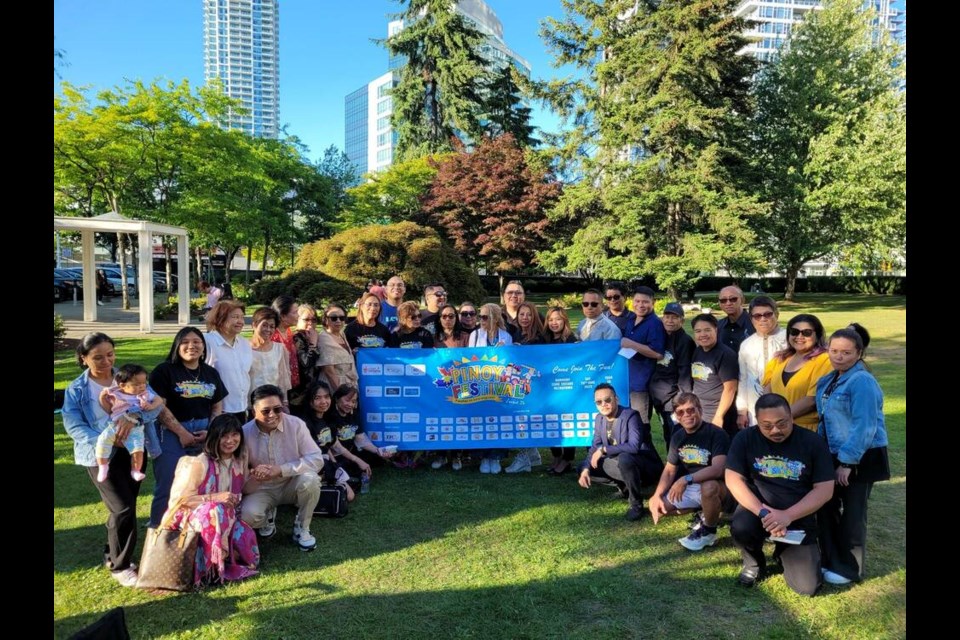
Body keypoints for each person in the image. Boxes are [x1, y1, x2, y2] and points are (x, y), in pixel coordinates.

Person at [62, 333, 159, 587]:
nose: (106, 361)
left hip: (133, 452)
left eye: (110, 354)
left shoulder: (127, 377)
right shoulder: (76, 389)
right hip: (100, 456)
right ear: (84, 359)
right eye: (97, 357)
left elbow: (155, 406)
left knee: (125, 505)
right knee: (122, 507)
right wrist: (105, 439)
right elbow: (73, 426)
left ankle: (112, 550)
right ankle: (121, 565)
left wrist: (135, 417)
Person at [725, 393, 834, 594]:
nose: (775, 430)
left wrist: (787, 516)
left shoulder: (813, 442)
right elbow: (733, 479)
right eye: (767, 426)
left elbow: (825, 489)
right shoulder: (745, 438)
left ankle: (782, 549)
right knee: (741, 527)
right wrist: (764, 513)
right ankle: (754, 563)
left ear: (791, 417)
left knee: (807, 587)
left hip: (797, 516)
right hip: (760, 512)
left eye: (782, 423)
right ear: (757, 421)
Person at [815, 324, 890, 586]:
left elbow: (865, 425)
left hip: (859, 456)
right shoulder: (831, 377)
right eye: (834, 350)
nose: (838, 356)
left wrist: (847, 462)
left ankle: (849, 568)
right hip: (833, 452)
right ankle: (831, 558)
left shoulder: (862, 381)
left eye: (846, 352)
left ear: (859, 353)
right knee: (827, 507)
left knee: (854, 513)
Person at [162, 414, 259, 586]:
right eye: (224, 435)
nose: (230, 440)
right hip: (192, 519)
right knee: (214, 510)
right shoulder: (198, 463)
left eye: (234, 435)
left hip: (226, 518)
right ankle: (207, 570)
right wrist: (215, 498)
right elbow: (180, 501)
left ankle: (222, 562)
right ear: (214, 437)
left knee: (243, 533)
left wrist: (257, 477)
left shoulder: (239, 460)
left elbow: (243, 489)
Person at [149, 326, 227, 527]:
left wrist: (211, 430)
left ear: (203, 346)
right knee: (168, 484)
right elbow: (159, 408)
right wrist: (181, 432)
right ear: (177, 345)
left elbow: (217, 404)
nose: (191, 346)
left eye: (197, 342)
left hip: (205, 431)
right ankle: (159, 531)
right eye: (185, 342)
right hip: (171, 433)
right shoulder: (163, 371)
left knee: (202, 483)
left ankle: (193, 530)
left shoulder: (210, 373)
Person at [241, 385, 324, 552]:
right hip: (261, 487)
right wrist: (253, 473)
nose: (272, 415)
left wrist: (281, 469)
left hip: (291, 483)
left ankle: (302, 527)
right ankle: (266, 519)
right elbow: (240, 469)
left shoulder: (296, 425)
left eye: (277, 409)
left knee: (311, 480)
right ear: (253, 412)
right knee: (246, 516)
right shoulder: (244, 432)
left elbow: (316, 459)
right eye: (266, 411)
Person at [648, 393, 730, 551]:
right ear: (676, 416)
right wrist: (657, 495)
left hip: (720, 486)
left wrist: (685, 479)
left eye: (691, 410)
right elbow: (669, 470)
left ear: (700, 410)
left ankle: (709, 532)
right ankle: (704, 509)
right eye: (680, 412)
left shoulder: (716, 433)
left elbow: (718, 469)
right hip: (692, 486)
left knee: (709, 487)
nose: (686, 415)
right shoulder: (678, 436)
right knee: (660, 507)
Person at [578, 383, 664, 521]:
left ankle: (636, 504)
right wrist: (585, 470)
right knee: (583, 467)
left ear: (616, 399)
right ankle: (624, 486)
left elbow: (634, 447)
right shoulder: (599, 419)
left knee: (625, 458)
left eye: (607, 400)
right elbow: (595, 446)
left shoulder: (631, 415)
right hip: (621, 463)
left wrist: (604, 449)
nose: (603, 404)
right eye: (599, 402)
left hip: (644, 466)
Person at [762, 314, 833, 432]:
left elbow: (812, 400)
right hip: (776, 430)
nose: (799, 336)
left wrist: (779, 418)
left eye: (807, 332)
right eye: (794, 332)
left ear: (818, 335)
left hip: (805, 431)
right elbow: (767, 389)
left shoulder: (825, 360)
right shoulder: (780, 359)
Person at [95, 364, 164, 483]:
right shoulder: (115, 393)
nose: (142, 387)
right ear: (122, 385)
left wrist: (151, 405)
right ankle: (103, 466)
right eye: (137, 384)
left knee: (138, 450)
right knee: (102, 441)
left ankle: (136, 470)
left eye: (144, 383)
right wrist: (102, 397)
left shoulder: (144, 394)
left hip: (136, 428)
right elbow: (108, 409)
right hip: (114, 425)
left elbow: (159, 400)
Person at [504, 301, 546, 473]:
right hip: (519, 385)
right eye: (522, 314)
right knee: (522, 419)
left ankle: (523, 459)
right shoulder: (515, 333)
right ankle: (533, 454)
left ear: (534, 316)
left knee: (525, 420)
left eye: (529, 314)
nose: (525, 318)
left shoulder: (540, 337)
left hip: (534, 386)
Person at [300, 379, 357, 501]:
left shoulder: (325, 419)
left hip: (327, 464)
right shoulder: (305, 423)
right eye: (317, 398)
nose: (323, 402)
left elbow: (330, 446)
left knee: (350, 494)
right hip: (314, 468)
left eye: (326, 397)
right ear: (310, 401)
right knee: (349, 495)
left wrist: (354, 461)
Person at [736, 296, 787, 428]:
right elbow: (743, 379)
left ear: (776, 314)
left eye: (768, 314)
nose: (763, 319)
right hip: (755, 406)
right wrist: (742, 411)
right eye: (757, 316)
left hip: (788, 404)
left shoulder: (790, 339)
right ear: (751, 318)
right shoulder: (746, 345)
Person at [649, 302, 694, 448]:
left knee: (677, 435)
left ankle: (676, 467)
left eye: (674, 317)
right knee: (667, 432)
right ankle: (671, 466)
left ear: (682, 320)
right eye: (667, 316)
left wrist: (682, 399)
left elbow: (685, 372)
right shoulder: (660, 336)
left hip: (674, 398)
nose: (669, 320)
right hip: (659, 397)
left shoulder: (685, 341)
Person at [324, 383, 394, 475]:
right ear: (337, 398)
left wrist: (378, 451)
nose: (350, 404)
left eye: (353, 401)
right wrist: (358, 460)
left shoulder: (354, 414)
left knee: (377, 457)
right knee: (354, 471)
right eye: (347, 400)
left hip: (351, 451)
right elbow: (336, 447)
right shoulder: (329, 417)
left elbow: (360, 439)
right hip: (336, 455)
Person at [620, 286, 666, 422]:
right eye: (637, 301)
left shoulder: (655, 324)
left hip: (641, 385)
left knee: (640, 426)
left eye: (645, 302)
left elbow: (658, 353)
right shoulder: (631, 319)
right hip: (626, 382)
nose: (640, 305)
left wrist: (632, 344)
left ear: (653, 303)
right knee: (628, 425)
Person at [690, 313, 740, 438]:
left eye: (707, 330)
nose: (702, 335)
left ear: (716, 330)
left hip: (717, 412)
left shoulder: (725, 354)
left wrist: (719, 416)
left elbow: (730, 389)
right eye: (698, 331)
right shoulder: (698, 351)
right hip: (700, 410)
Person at [543, 307, 578, 475]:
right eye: (550, 320)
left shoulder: (571, 339)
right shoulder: (544, 339)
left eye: (557, 319)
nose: (554, 323)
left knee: (567, 423)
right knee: (551, 422)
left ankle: (567, 459)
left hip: (567, 388)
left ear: (564, 320)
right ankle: (556, 455)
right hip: (549, 390)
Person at [205, 300, 253, 422]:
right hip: (216, 411)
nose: (241, 322)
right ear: (220, 318)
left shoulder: (244, 343)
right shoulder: (207, 342)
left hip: (241, 409)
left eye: (242, 317)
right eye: (235, 317)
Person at [249, 307, 292, 410]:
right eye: (264, 325)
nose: (268, 329)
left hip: (273, 404)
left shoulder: (279, 349)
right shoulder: (243, 349)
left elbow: (283, 379)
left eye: (272, 326)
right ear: (254, 325)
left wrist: (284, 403)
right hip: (251, 405)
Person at [290, 304, 322, 417]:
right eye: (306, 319)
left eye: (313, 320)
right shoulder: (296, 338)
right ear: (297, 320)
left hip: (312, 392)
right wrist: (313, 344)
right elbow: (305, 363)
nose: (310, 323)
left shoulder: (313, 335)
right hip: (299, 395)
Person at [317, 303, 360, 389]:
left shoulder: (341, 334)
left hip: (349, 385)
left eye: (342, 318)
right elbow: (329, 372)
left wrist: (352, 353)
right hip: (334, 386)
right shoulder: (324, 338)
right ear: (326, 320)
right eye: (333, 318)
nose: (338, 321)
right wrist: (341, 395)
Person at [270, 296, 301, 407]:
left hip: (293, 387)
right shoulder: (273, 336)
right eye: (295, 312)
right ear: (283, 316)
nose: (298, 315)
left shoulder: (287, 331)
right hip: (280, 391)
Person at [716, 285, 754, 352]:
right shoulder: (718, 326)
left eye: (733, 299)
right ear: (719, 303)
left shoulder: (755, 323)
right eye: (723, 300)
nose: (728, 303)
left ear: (742, 300)